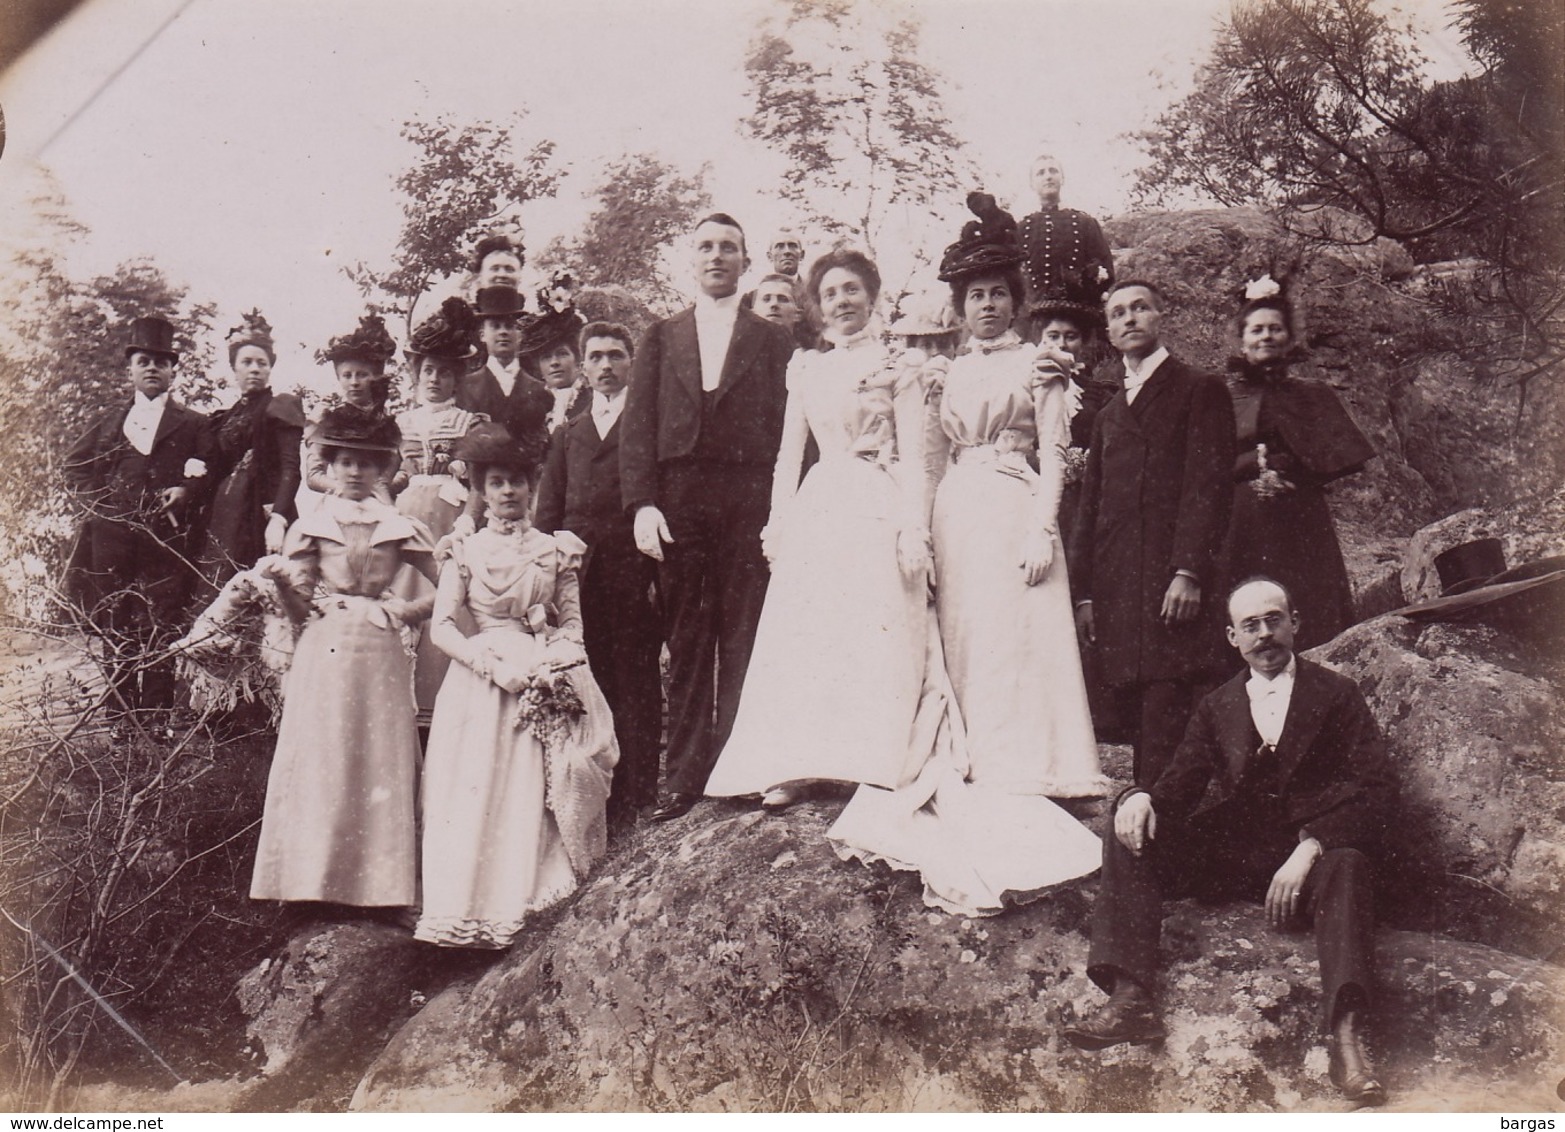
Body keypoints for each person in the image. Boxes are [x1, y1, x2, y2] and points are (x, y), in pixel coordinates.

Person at [827, 194, 1105, 917]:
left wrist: (1045, 527)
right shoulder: (938, 374)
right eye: (975, 296)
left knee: (1021, 639)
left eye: (996, 295)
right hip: (957, 510)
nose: (985, 306)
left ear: (1015, 303)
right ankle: (976, 763)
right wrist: (913, 530)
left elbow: (1052, 452)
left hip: (1015, 503)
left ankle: (1039, 768)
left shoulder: (1039, 364)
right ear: (959, 306)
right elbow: (922, 462)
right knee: (965, 641)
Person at [1064, 577, 1395, 1109]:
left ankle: (1347, 1043)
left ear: (1295, 624)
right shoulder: (1217, 705)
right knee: (1131, 828)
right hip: (1239, 856)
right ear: (1231, 637)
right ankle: (1132, 999)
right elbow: (1176, 790)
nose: (1264, 634)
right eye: (1251, 626)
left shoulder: (1337, 694)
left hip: (1313, 863)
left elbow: (1378, 789)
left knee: (1350, 863)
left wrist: (1312, 845)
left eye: (1274, 620)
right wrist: (1137, 796)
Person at [704, 249, 931, 809]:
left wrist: (912, 528)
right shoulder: (808, 367)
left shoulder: (899, 367)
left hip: (878, 498)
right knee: (810, 631)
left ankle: (864, 760)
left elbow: (919, 457)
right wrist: (778, 524)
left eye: (852, 290)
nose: (842, 302)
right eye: (830, 294)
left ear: (872, 297)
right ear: (818, 307)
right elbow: (788, 456)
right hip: (821, 503)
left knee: (868, 626)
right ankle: (794, 762)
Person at [619, 212, 795, 822]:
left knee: (747, 633)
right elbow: (637, 425)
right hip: (680, 500)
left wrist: (786, 509)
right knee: (689, 639)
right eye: (706, 247)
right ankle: (686, 776)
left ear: (746, 263)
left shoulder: (773, 340)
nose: (717, 256)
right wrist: (642, 503)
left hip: (749, 497)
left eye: (729, 248)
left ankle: (742, 766)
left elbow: (788, 431)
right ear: (691, 261)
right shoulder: (661, 336)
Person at [416, 424, 617, 948]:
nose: (508, 493)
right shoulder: (463, 550)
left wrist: (554, 660)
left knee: (532, 790)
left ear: (532, 486)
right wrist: (489, 665)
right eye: (497, 483)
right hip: (481, 681)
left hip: (540, 678)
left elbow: (573, 625)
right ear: (480, 490)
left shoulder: (555, 551)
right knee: (476, 787)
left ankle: (527, 904)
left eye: (517, 482)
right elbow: (440, 628)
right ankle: (466, 912)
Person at [250, 407, 436, 908]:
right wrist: (283, 585)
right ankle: (310, 886)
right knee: (324, 754)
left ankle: (382, 890)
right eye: (345, 462)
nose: (355, 472)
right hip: (324, 648)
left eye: (366, 463)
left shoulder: (400, 525)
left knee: (377, 756)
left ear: (382, 471)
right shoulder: (311, 525)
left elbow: (452, 589)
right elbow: (298, 607)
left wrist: (407, 611)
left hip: (379, 648)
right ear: (329, 467)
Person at [1070, 280, 1236, 787]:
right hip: (1122, 584)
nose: (1130, 319)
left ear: (1160, 315)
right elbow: (1091, 507)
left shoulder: (1198, 388)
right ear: (1110, 330)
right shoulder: (1110, 414)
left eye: (1140, 308)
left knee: (1173, 702)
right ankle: (1146, 822)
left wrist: (1188, 569)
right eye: (1118, 313)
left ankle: (1166, 829)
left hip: (1171, 581)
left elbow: (1207, 487)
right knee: (1141, 713)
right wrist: (1085, 595)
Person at [536, 322, 662, 832]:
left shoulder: (648, 424)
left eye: (616, 355)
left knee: (637, 682)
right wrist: (544, 577)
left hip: (634, 574)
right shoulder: (569, 434)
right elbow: (549, 509)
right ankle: (596, 798)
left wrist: (658, 575)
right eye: (596, 357)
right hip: (580, 581)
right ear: (583, 368)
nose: (606, 366)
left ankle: (639, 793)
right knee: (591, 683)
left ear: (632, 362)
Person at [64, 316, 214, 720]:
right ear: (129, 369)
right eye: (144, 360)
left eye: (161, 362)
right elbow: (74, 466)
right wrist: (100, 506)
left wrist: (187, 490)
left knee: (161, 624)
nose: (152, 368)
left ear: (172, 371)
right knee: (117, 623)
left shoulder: (195, 423)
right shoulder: (110, 420)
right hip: (111, 538)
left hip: (166, 540)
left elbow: (212, 471)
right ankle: (120, 720)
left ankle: (157, 719)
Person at [1223, 277, 1375, 652]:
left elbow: (1338, 456)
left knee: (1310, 604)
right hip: (1242, 521)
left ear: (1289, 339)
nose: (1266, 337)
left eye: (1275, 329)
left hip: (1300, 516)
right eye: (1256, 330)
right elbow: (1205, 461)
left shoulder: (1311, 394)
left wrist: (1289, 467)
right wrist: (1249, 466)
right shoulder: (1221, 397)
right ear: (1242, 341)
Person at [393, 296, 488, 727]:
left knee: (448, 600)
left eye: (444, 372)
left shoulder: (471, 423)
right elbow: (387, 476)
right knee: (405, 598)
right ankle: (404, 708)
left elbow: (480, 482)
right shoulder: (399, 423)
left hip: (448, 523)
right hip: (407, 517)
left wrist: (469, 517)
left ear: (456, 379)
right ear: (417, 374)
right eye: (428, 370)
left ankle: (446, 709)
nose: (434, 378)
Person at [199, 310, 305, 589]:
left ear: (270, 368)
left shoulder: (279, 407)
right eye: (246, 362)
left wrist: (279, 520)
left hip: (262, 514)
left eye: (262, 362)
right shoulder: (224, 417)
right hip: (225, 515)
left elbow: (291, 469)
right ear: (235, 368)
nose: (255, 368)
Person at [303, 312, 400, 508]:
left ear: (376, 377)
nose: (354, 382)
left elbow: (402, 471)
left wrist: (382, 487)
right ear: (339, 378)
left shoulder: (387, 422)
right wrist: (344, 488)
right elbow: (314, 475)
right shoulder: (328, 421)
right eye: (347, 375)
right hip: (340, 502)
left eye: (362, 375)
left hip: (381, 503)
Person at [1017, 151, 1114, 341]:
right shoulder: (1021, 228)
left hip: (1080, 318)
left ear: (1062, 178)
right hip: (1036, 319)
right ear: (1031, 183)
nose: (1048, 176)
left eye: (1053, 171)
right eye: (1041, 173)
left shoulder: (1085, 222)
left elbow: (1107, 271)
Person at [458, 285, 553, 452]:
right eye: (495, 326)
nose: (503, 332)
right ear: (482, 335)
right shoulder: (465, 387)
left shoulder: (539, 388)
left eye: (509, 326)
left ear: (520, 334)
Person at [519, 275, 591, 433]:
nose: (554, 363)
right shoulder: (533, 408)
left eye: (562, 354)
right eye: (546, 357)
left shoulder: (593, 403)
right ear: (540, 369)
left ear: (578, 361)